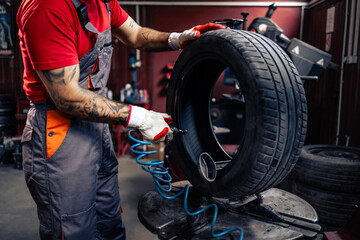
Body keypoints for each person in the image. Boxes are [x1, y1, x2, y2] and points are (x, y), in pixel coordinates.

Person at [16, 0, 224, 239]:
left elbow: (135, 34)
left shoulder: (103, 3)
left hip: (95, 126)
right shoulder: (47, 8)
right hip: (60, 130)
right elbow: (67, 96)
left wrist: (177, 39)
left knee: (108, 218)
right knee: (73, 228)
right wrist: (141, 118)